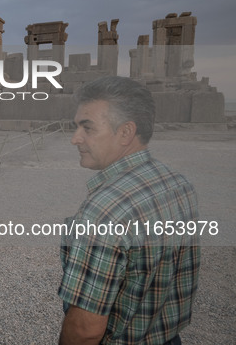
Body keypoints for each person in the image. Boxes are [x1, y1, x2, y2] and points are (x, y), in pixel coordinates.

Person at [58, 77, 200, 345]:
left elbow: (85, 331)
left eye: (87, 128)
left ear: (125, 132)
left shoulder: (105, 210)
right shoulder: (179, 184)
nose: (74, 139)